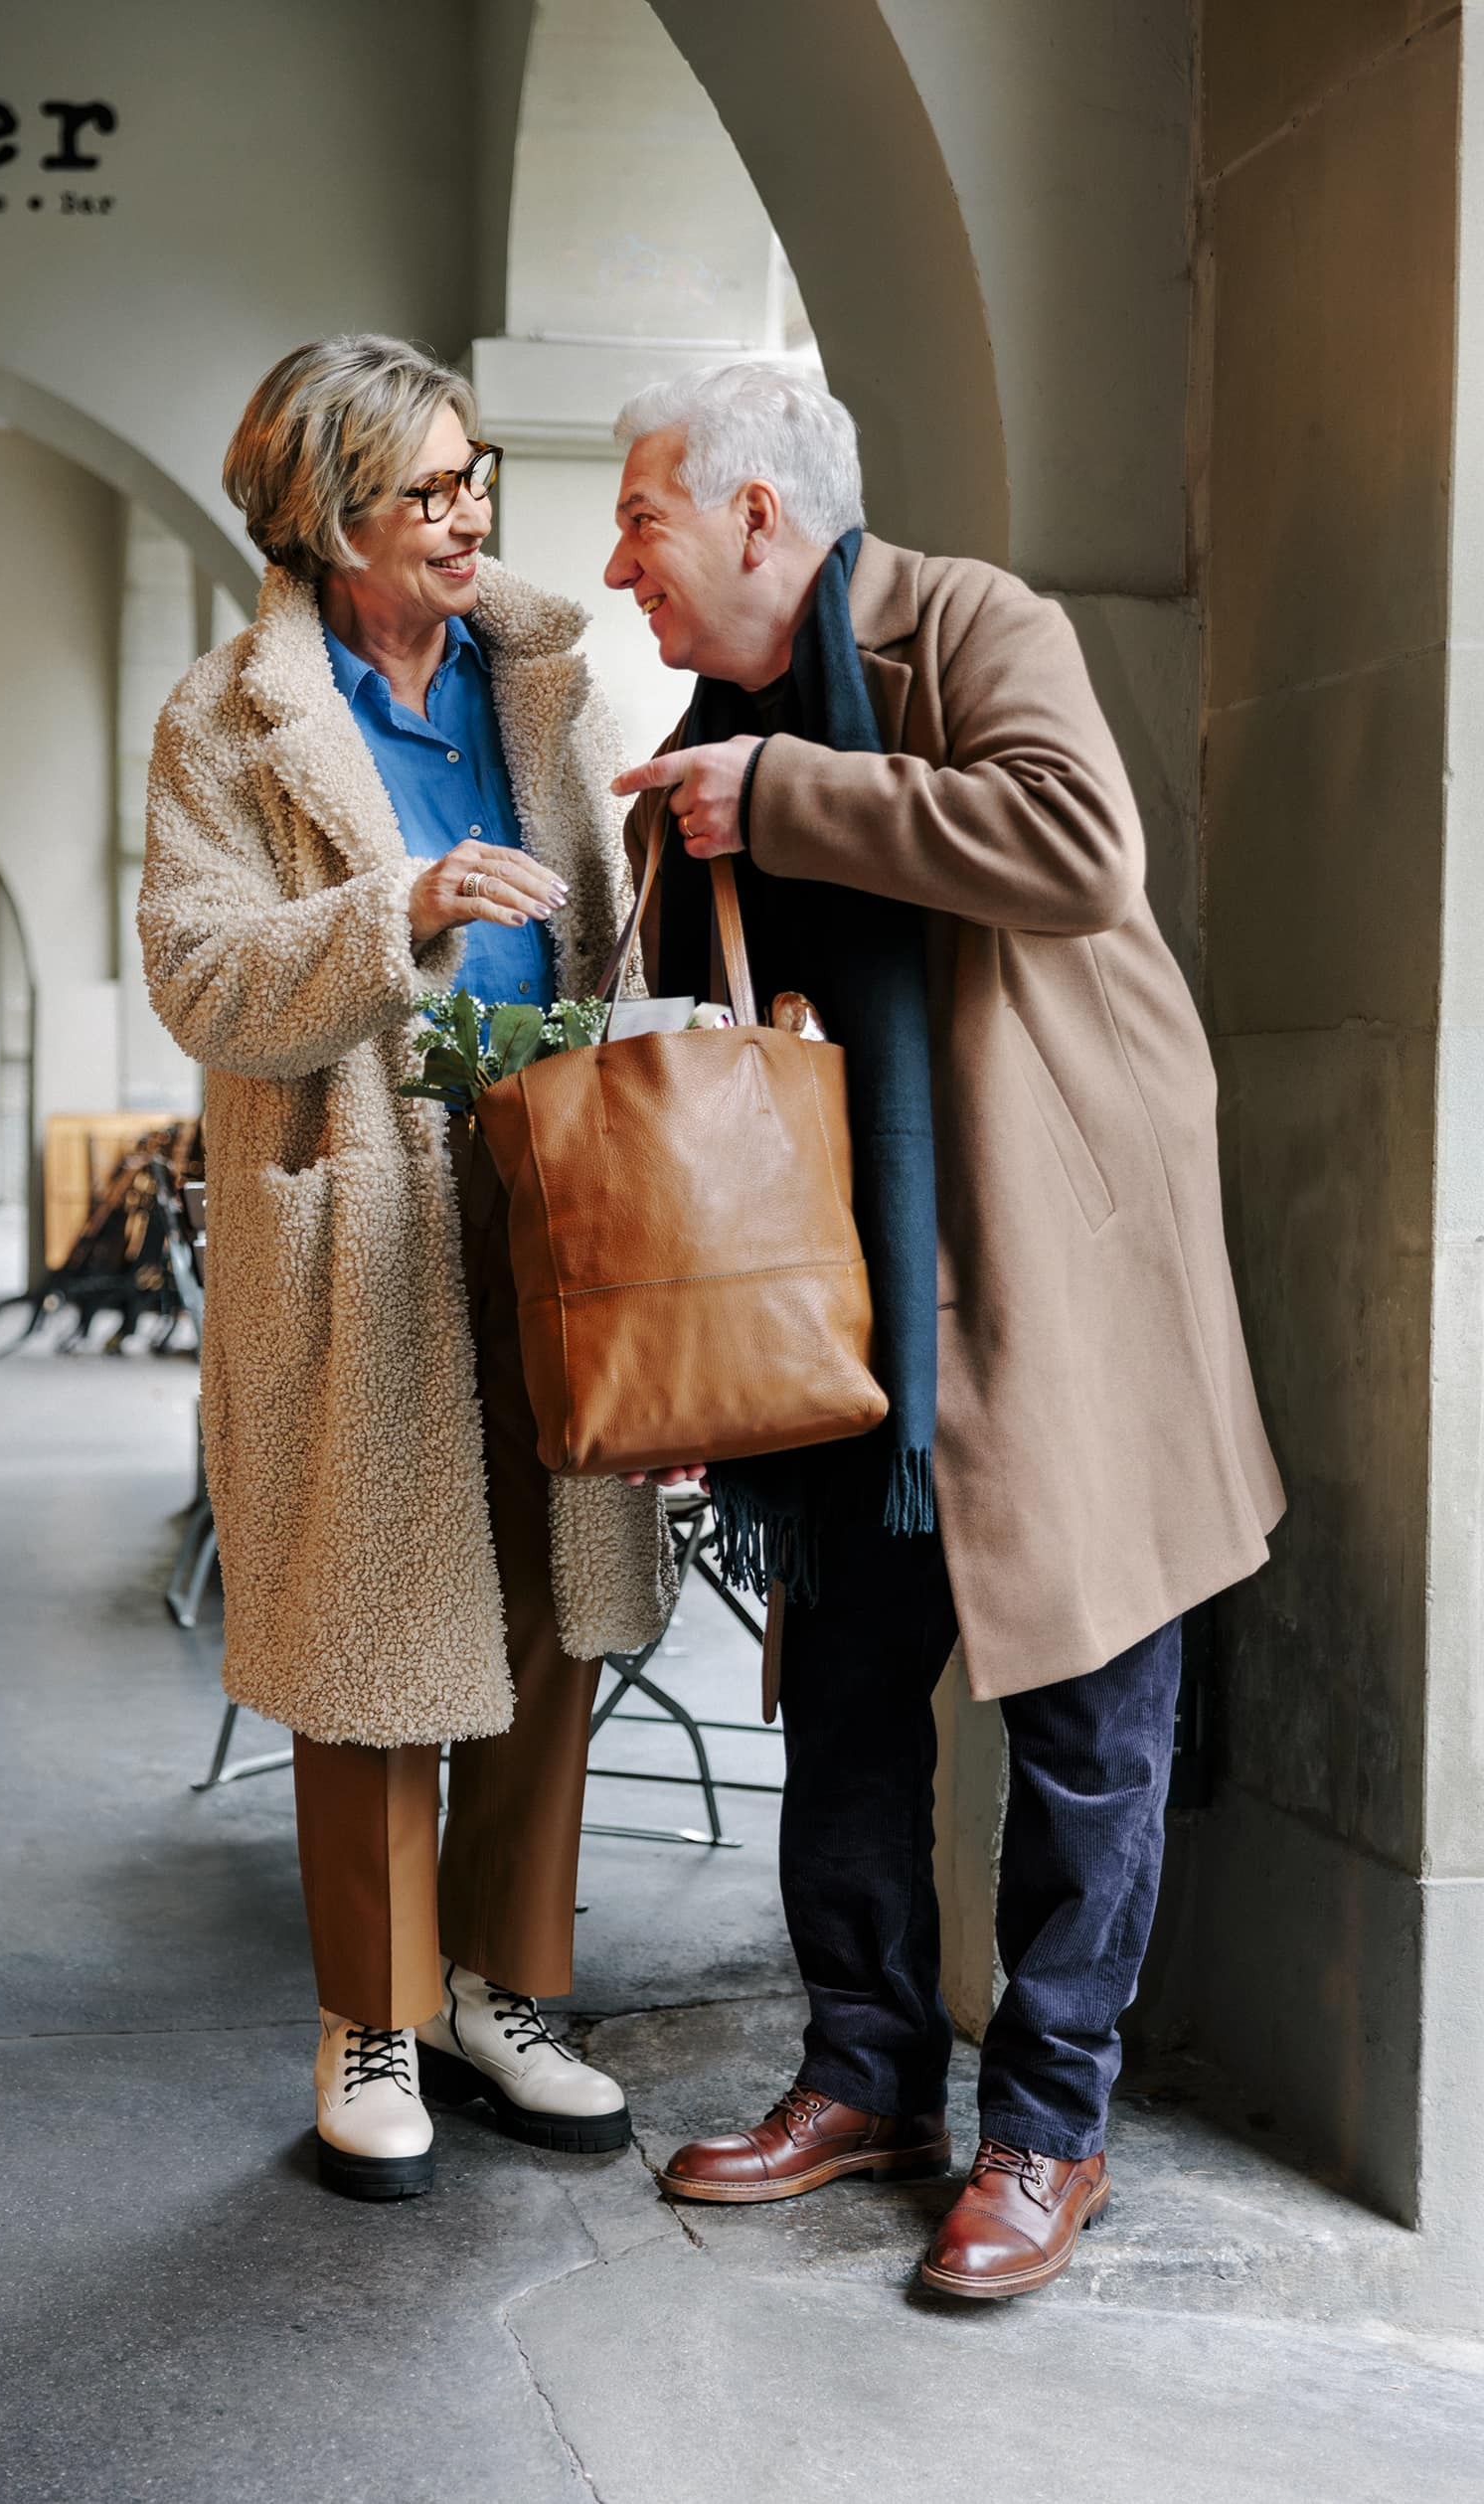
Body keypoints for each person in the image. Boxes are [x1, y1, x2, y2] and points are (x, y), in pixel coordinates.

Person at [602, 362, 1284, 2298]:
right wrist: (685, 1336)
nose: (620, 564)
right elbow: (705, 1067)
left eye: (643, 518)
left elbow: (1077, 850)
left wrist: (781, 801)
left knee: (1087, 1712)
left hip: (1053, 1275)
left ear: (755, 513)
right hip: (837, 1310)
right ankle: (868, 2077)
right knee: (843, 1699)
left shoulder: (973, 624)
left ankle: (1050, 2128)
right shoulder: (697, 747)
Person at [139, 334, 673, 2202]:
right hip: (362, 1204)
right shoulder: (226, 721)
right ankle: (371, 2013)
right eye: (427, 488)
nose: (468, 513)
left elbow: (608, 926)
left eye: (474, 476)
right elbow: (199, 975)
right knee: (369, 1621)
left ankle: (499, 1989)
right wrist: (401, 910)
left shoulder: (547, 680)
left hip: (557, 1183)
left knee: (552, 1593)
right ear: (325, 513)